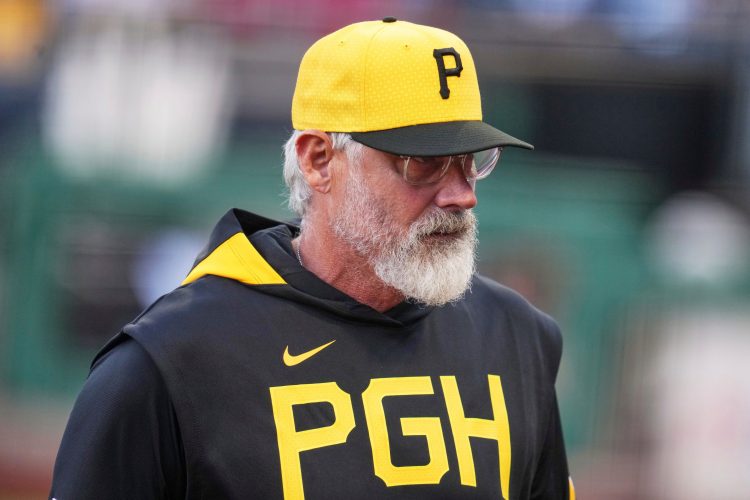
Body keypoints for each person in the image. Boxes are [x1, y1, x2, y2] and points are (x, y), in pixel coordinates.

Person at [50, 18, 574, 500]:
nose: (463, 195)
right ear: (318, 160)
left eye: (470, 161)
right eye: (424, 163)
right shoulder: (168, 361)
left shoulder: (518, 336)